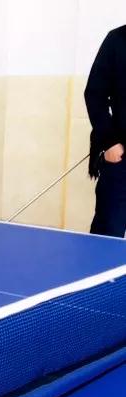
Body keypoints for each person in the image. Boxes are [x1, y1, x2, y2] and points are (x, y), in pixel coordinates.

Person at [85, 24, 126, 238]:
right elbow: (94, 93)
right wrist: (109, 142)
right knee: (107, 233)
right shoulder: (117, 39)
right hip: (121, 160)